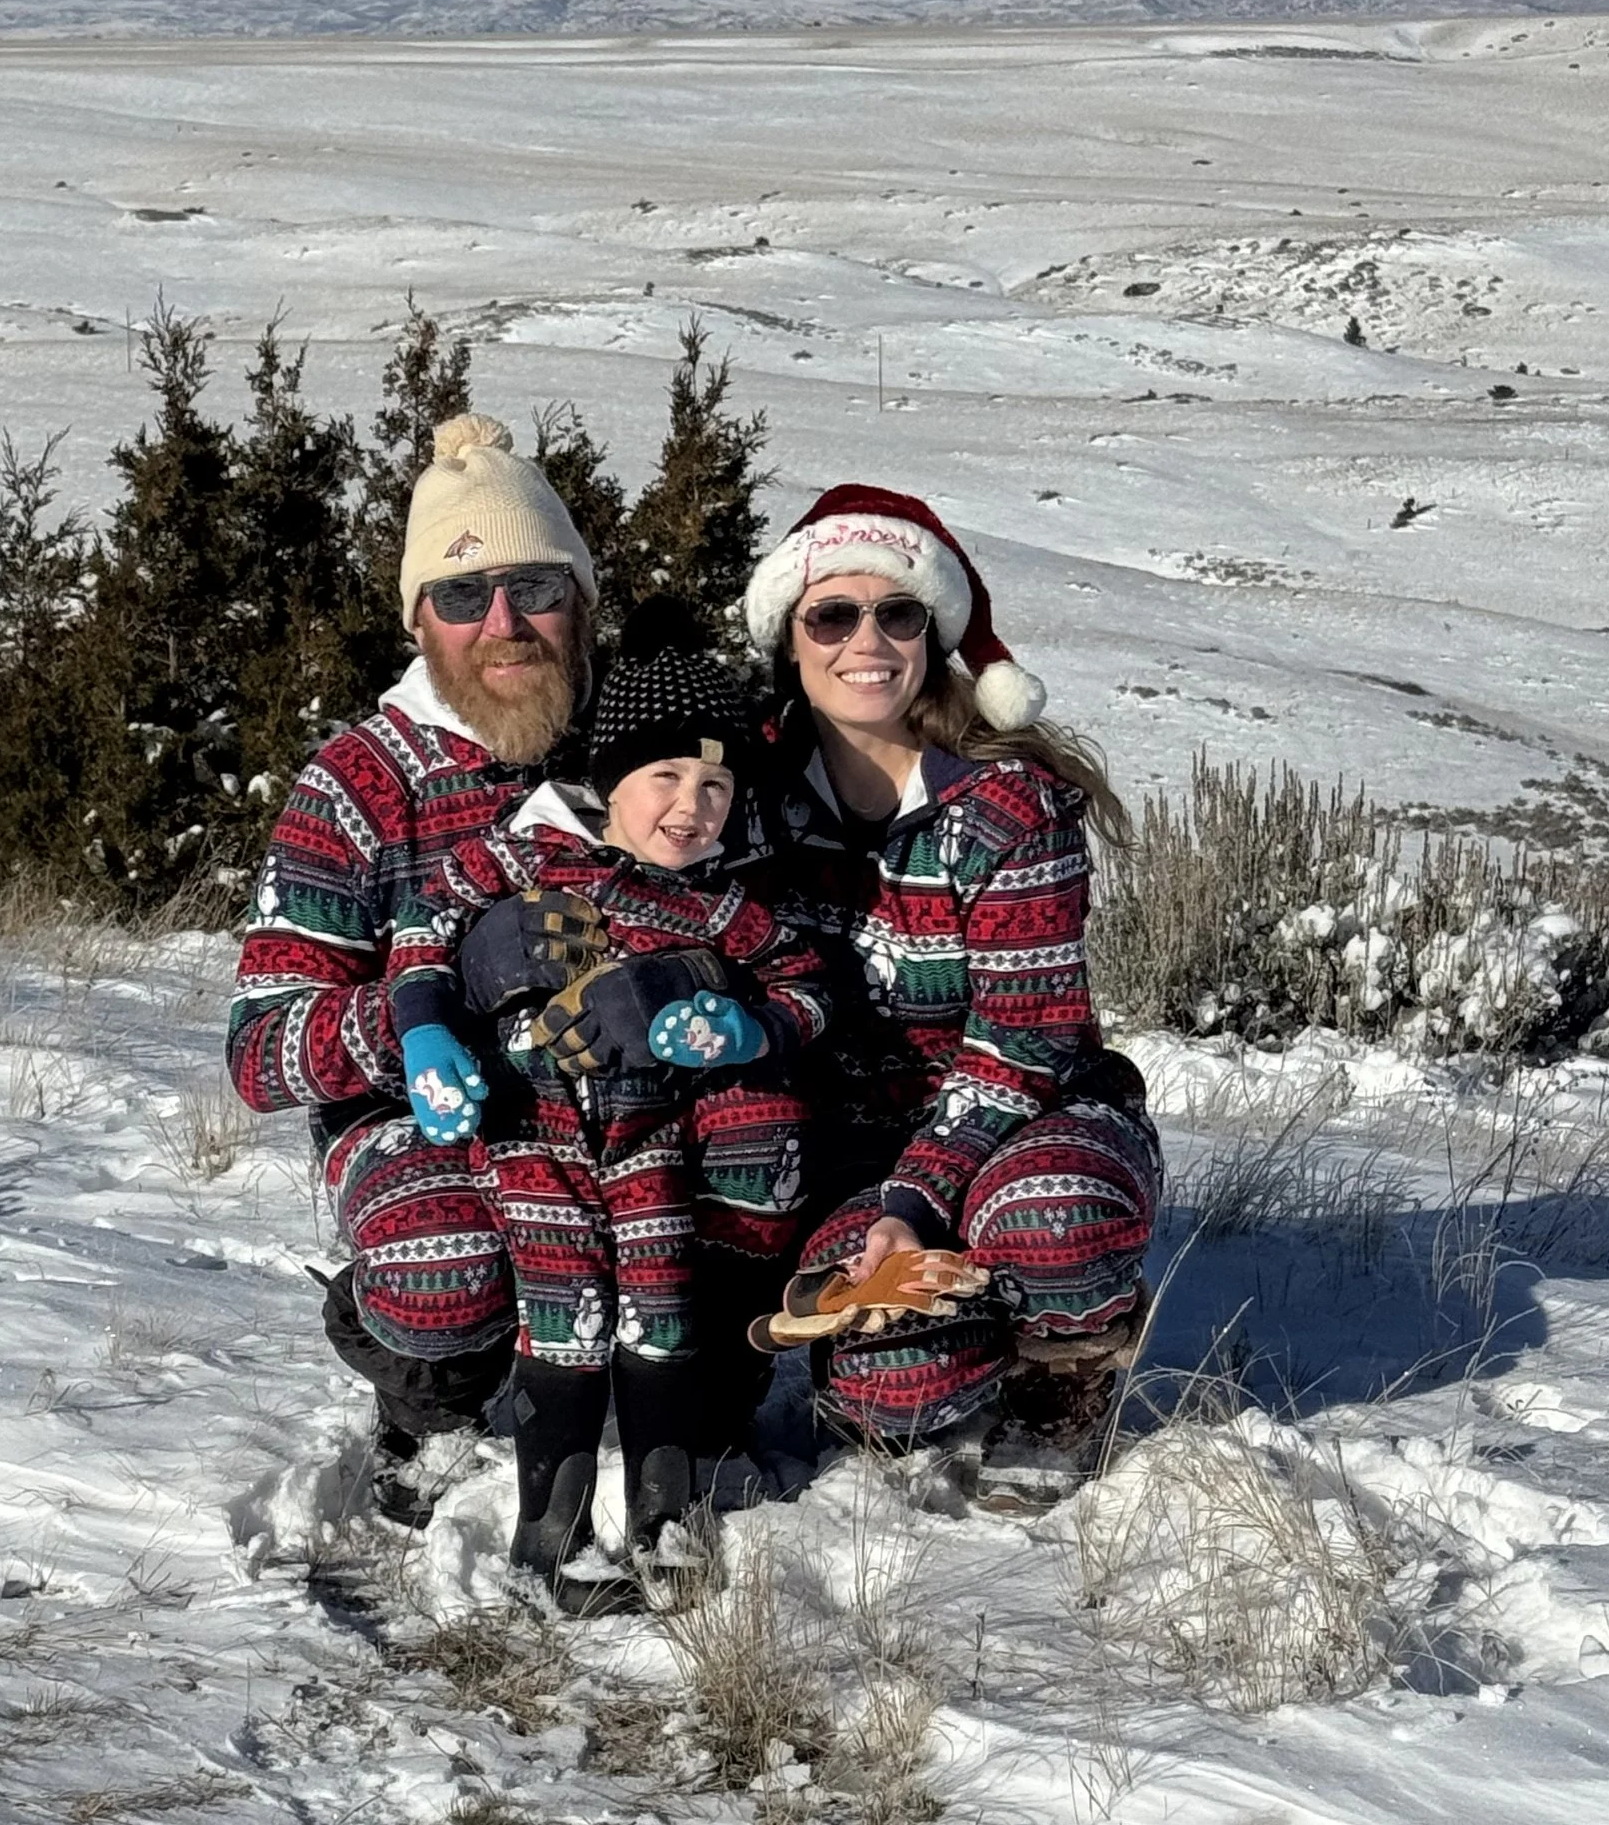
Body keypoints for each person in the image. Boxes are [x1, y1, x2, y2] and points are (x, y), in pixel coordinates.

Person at [225, 415, 795, 1522]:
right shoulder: (360, 781)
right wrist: (432, 1003)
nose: (503, 622)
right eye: (460, 594)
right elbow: (260, 1052)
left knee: (760, 1136)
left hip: (655, 1104)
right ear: (418, 619)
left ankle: (707, 1389)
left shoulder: (660, 735)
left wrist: (696, 986)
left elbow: (769, 933)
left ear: (581, 598)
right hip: (446, 1114)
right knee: (443, 1268)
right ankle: (429, 1396)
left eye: (535, 585)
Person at [386, 607, 822, 1604]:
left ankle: (666, 1522)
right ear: (610, 779)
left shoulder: (718, 905)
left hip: (649, 1141)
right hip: (530, 1134)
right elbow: (425, 932)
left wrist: (750, 1028)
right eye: (664, 778)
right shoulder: (523, 858)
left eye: (715, 786)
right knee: (566, 1319)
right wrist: (425, 1027)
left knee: (660, 1317)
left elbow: (806, 984)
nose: (690, 807)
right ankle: (554, 1539)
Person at [741, 482, 1159, 1493]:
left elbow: (1025, 1039)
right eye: (831, 615)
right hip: (853, 1149)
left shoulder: (1009, 808)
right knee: (891, 1389)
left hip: (1028, 1121)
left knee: (1051, 1218)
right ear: (789, 641)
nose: (866, 641)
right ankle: (956, 1339)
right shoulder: (738, 804)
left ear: (932, 636)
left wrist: (912, 1200)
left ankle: (1066, 1363)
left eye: (898, 613)